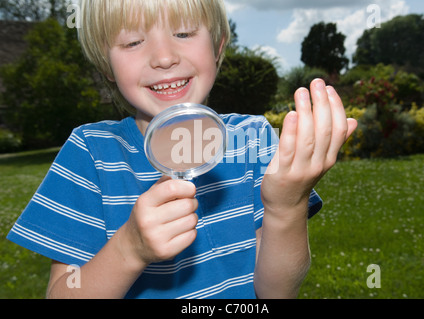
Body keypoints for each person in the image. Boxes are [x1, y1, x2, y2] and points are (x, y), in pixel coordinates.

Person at [7, 0, 357, 299]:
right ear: (106, 66)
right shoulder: (90, 155)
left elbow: (277, 292)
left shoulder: (253, 141)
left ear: (218, 46)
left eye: (184, 33)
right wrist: (128, 249)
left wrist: (286, 207)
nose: (163, 57)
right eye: (132, 42)